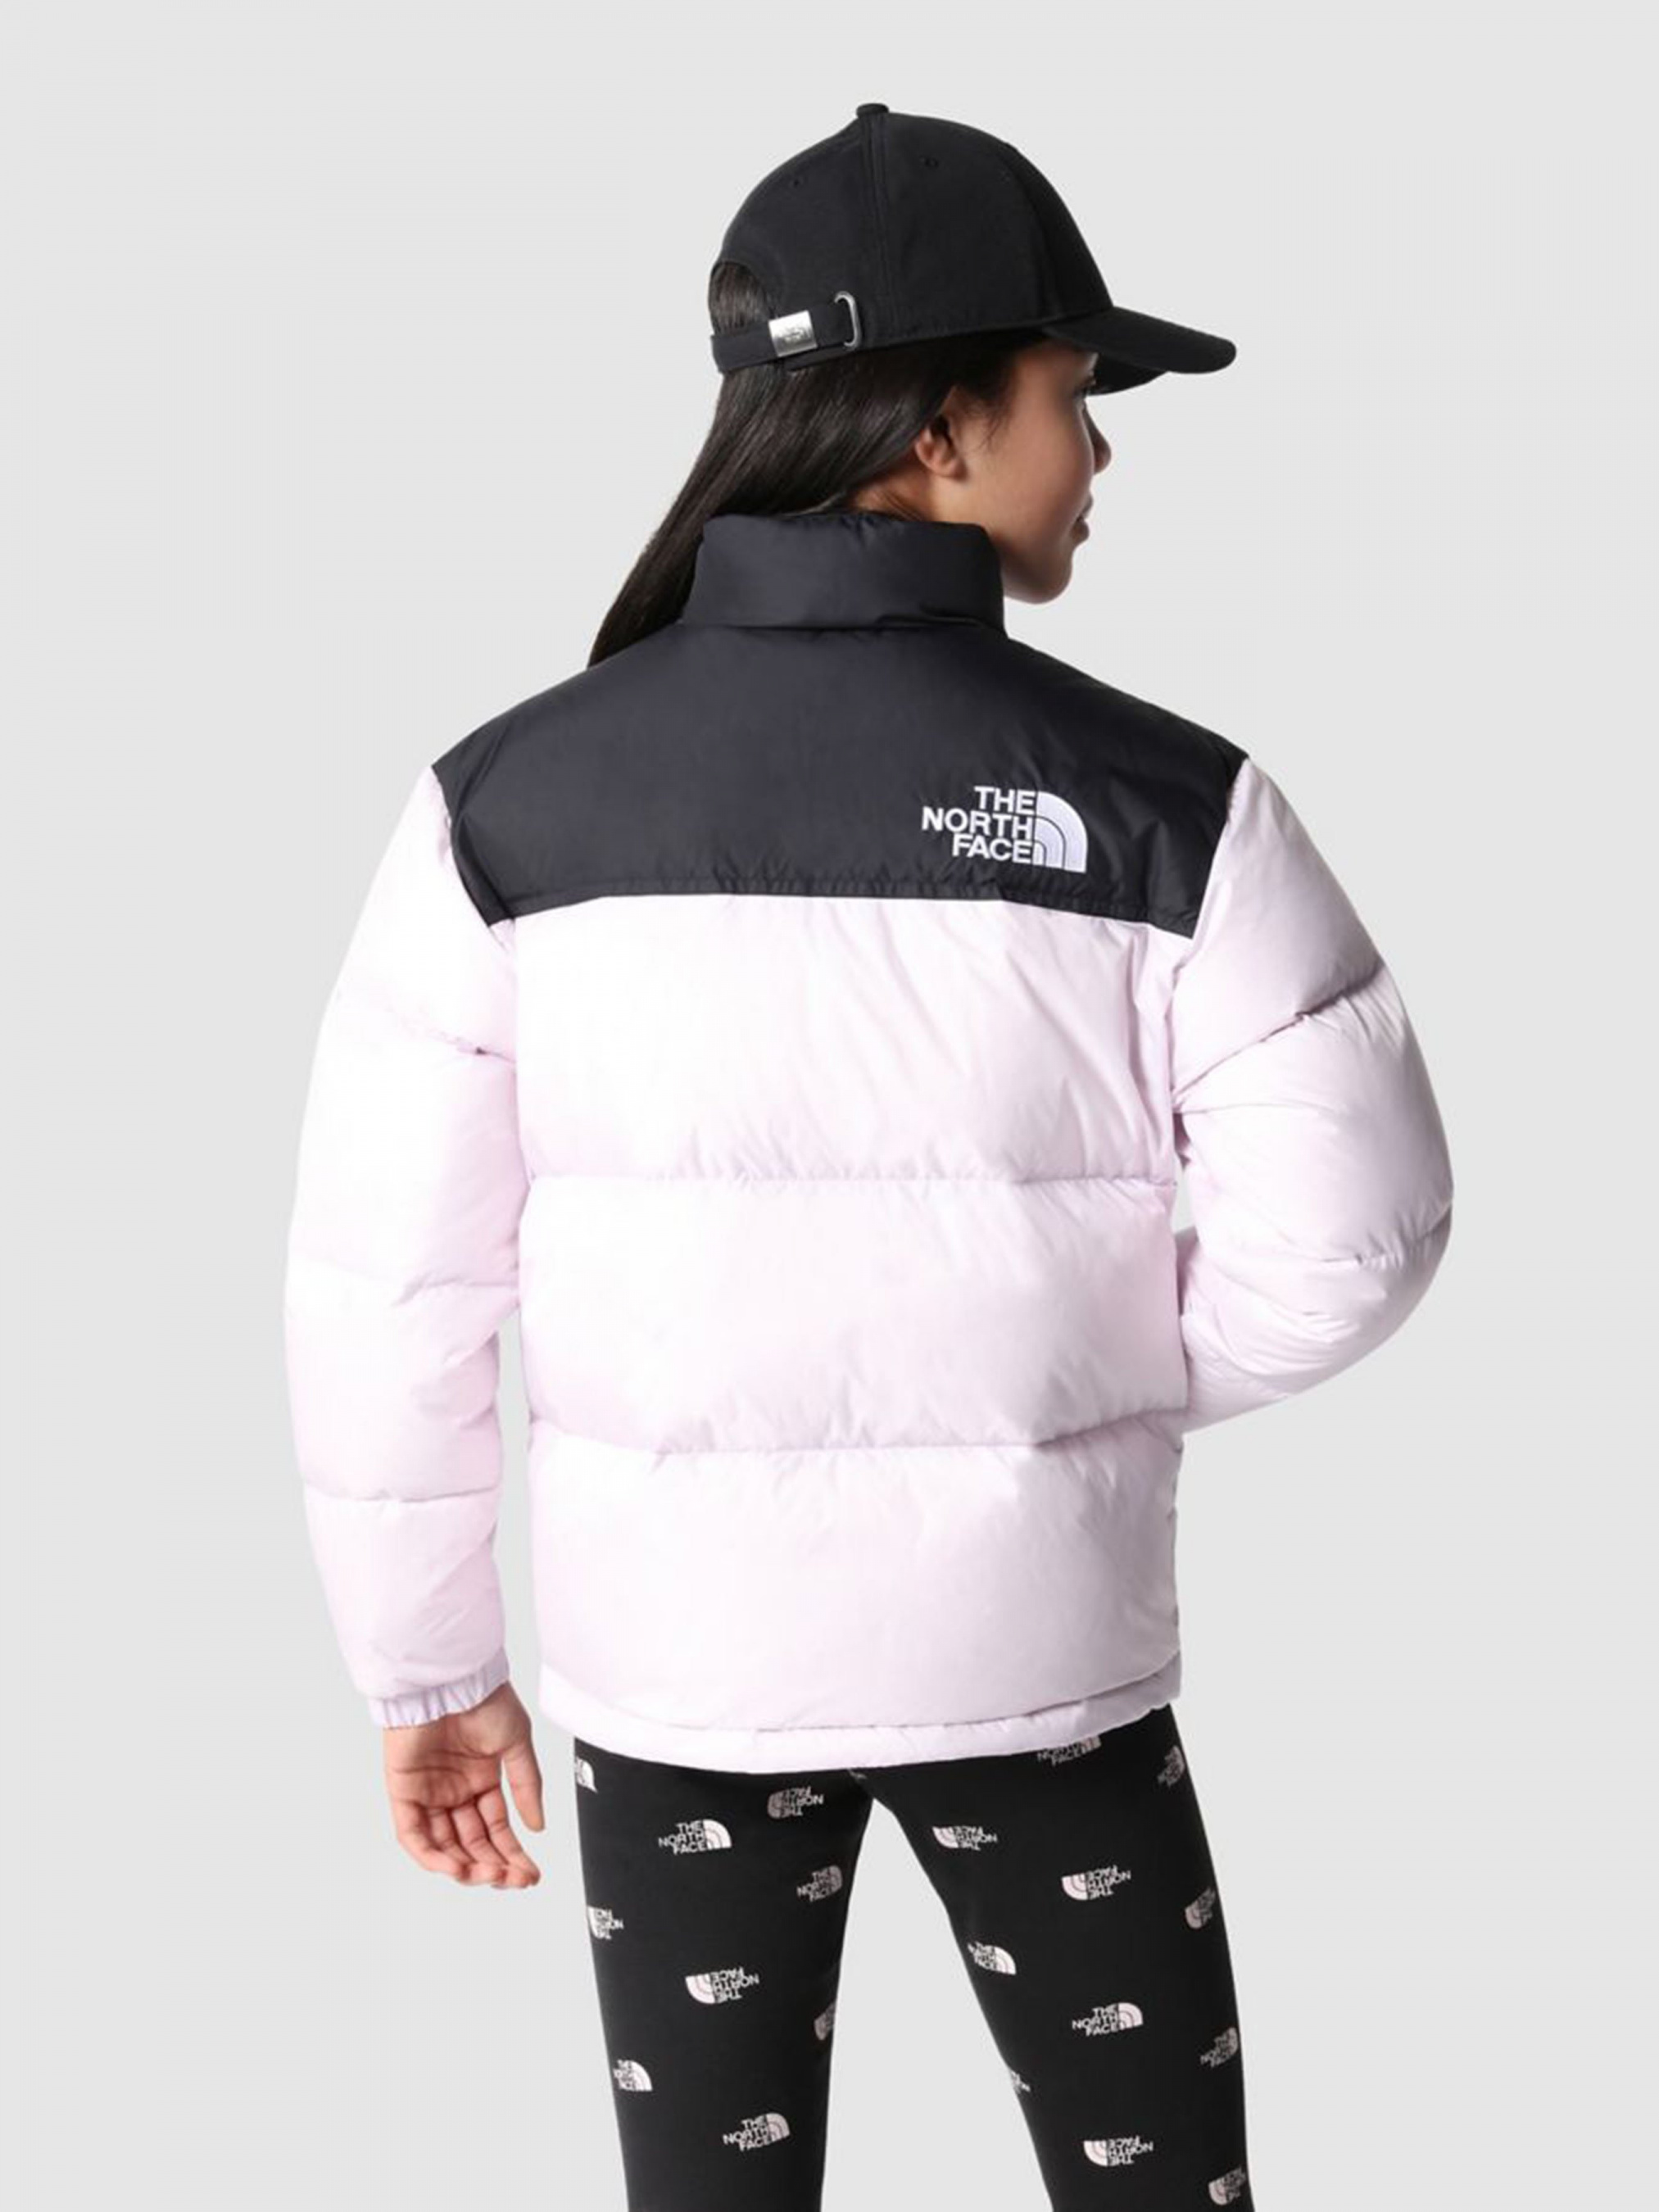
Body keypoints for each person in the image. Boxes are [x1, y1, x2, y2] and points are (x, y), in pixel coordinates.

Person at [282, 102, 1454, 2212]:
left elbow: (387, 1295)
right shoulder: (1167, 805)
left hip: (681, 1686)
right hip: (1043, 1664)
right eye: (1072, 393)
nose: (1097, 452)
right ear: (931, 430)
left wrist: (429, 1672)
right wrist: (1046, 1380)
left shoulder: (502, 807)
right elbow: (1356, 1237)